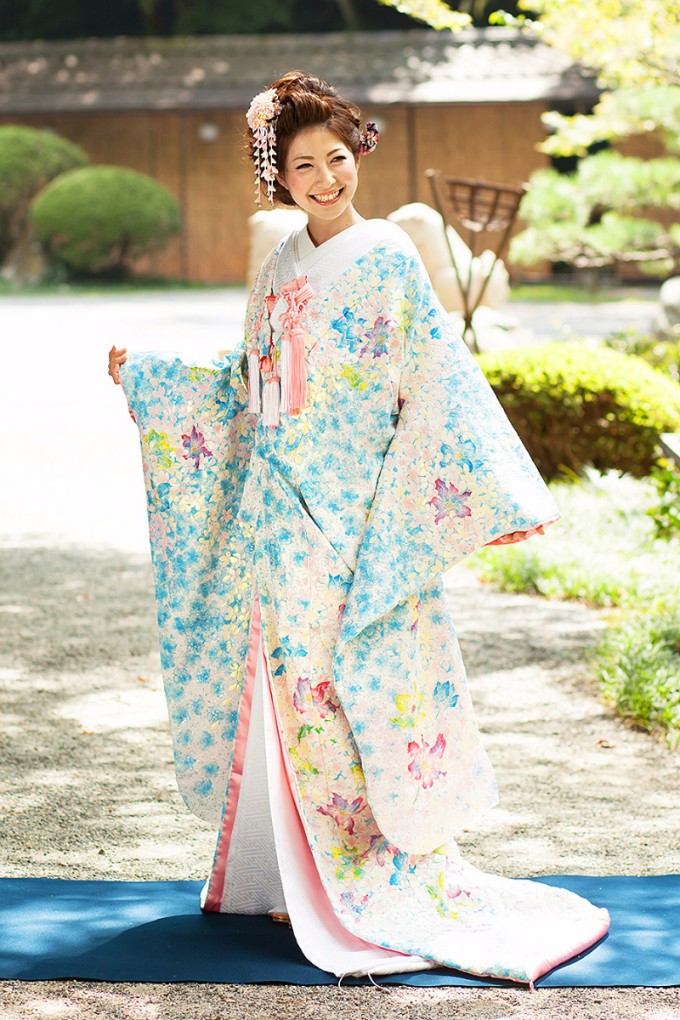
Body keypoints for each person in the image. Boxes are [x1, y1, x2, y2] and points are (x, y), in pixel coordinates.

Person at [108, 71, 609, 986]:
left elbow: (436, 380)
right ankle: (292, 876)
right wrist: (150, 374)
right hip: (279, 512)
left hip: (359, 514)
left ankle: (357, 877)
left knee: (350, 689)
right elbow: (248, 381)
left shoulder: (387, 257)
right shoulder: (279, 266)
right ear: (279, 176)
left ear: (357, 155)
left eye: (337, 158)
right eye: (304, 166)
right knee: (290, 690)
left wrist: (470, 498)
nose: (326, 179)